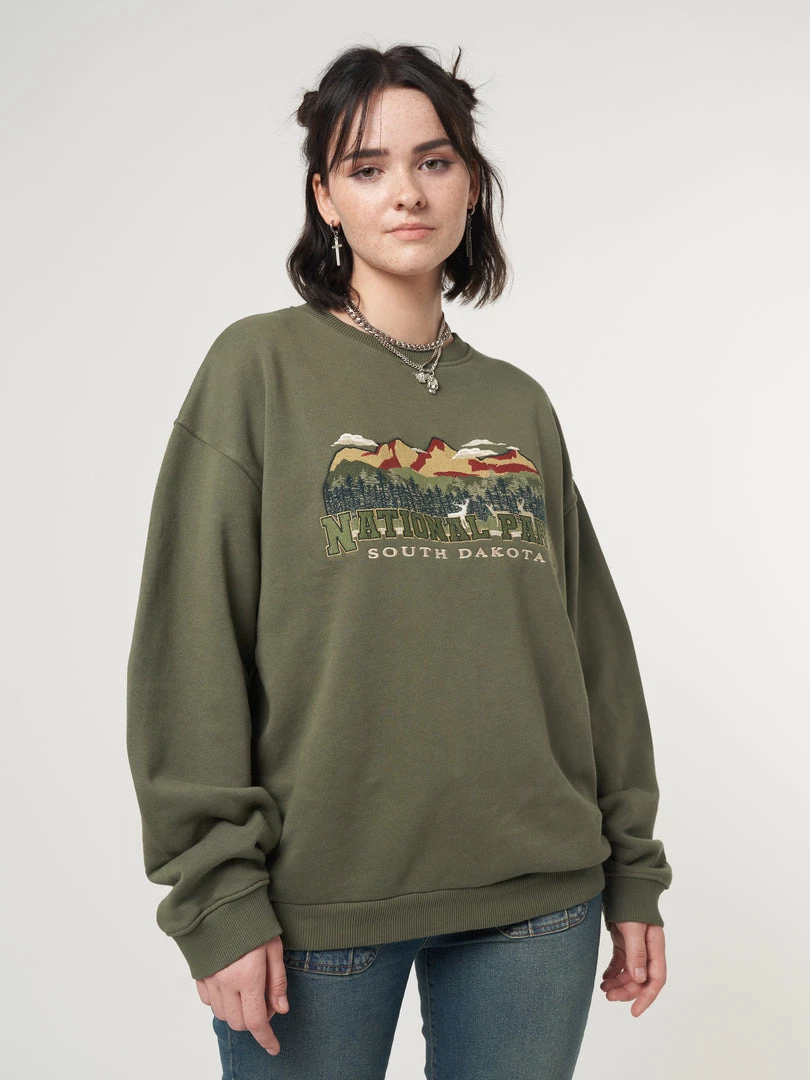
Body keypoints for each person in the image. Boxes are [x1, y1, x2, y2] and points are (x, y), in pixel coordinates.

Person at [126, 42, 672, 1080]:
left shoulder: (517, 404)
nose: (407, 193)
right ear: (325, 197)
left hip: (539, 897)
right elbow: (189, 643)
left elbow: (592, 647)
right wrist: (216, 894)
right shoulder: (258, 369)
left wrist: (634, 868)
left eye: (434, 160)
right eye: (367, 167)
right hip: (317, 906)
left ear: (470, 182)